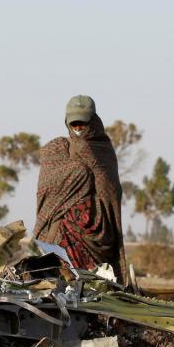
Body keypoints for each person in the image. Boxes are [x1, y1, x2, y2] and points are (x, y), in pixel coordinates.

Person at [34, 95, 127, 282]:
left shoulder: (103, 151)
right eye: (73, 124)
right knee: (62, 282)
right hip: (63, 229)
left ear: (92, 122)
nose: (77, 129)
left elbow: (111, 193)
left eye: (82, 124)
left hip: (99, 234)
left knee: (96, 285)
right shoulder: (58, 149)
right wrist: (79, 173)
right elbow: (47, 189)